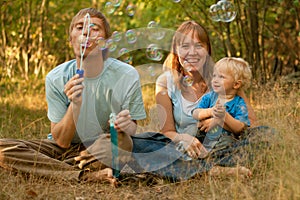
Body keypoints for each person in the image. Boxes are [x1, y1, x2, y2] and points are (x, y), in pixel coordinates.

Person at [0, 8, 146, 184]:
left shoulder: (126, 74)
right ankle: (85, 174)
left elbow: (131, 131)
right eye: (80, 27)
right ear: (71, 39)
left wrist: (124, 125)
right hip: (62, 149)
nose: (86, 32)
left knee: (122, 144)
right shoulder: (56, 77)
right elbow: (61, 141)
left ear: (105, 43)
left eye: (95, 28)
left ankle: (47, 168)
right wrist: (75, 105)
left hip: (101, 147)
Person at [130, 20, 269, 181]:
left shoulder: (223, 77)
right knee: (137, 143)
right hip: (184, 149)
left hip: (222, 146)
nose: (192, 52)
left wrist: (221, 121)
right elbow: (167, 131)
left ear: (207, 49)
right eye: (185, 46)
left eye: (198, 46)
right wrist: (185, 139)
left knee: (266, 134)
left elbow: (252, 125)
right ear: (176, 50)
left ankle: (195, 170)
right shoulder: (165, 82)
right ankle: (213, 170)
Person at [192, 57, 252, 154]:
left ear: (236, 84)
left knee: (229, 143)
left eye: (221, 77)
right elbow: (195, 113)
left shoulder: (238, 103)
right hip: (204, 133)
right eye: (214, 76)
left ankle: (210, 157)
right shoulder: (209, 97)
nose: (215, 80)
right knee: (190, 133)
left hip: (224, 138)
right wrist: (210, 111)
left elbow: (240, 128)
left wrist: (224, 117)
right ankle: (194, 153)